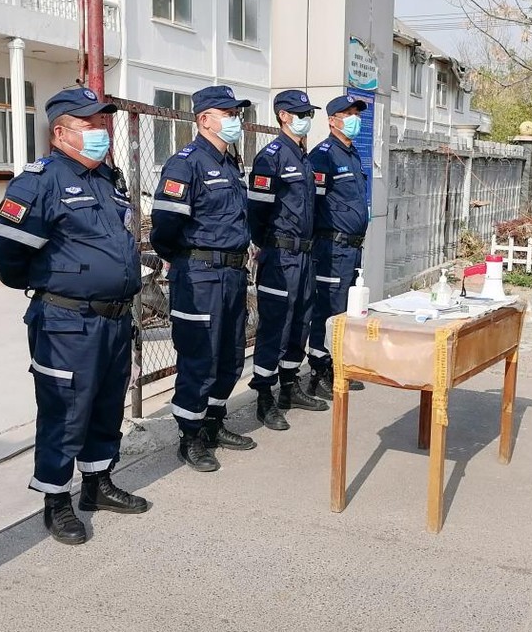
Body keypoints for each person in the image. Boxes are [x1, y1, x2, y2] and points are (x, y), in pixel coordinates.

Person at [0, 87, 150, 545]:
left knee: (104, 404)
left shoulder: (105, 179)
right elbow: (4, 250)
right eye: (90, 124)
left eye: (103, 123)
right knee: (64, 412)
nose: (101, 132)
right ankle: (56, 501)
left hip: (113, 319)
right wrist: (53, 285)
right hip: (65, 323)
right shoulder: (38, 182)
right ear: (61, 133)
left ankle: (97, 485)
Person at [150, 85, 257, 471]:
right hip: (199, 275)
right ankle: (190, 437)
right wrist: (184, 259)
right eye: (227, 114)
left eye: (236, 113)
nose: (235, 120)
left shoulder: (231, 163)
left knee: (229, 353)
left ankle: (214, 423)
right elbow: (164, 226)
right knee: (201, 356)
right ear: (204, 119)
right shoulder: (186, 163)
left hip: (231, 273)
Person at [246, 90, 330, 429]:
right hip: (280, 255)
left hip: (306, 255)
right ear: (282, 115)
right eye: (299, 113)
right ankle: (264, 396)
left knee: (302, 321)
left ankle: (289, 386)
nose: (305, 118)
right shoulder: (272, 157)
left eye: (308, 112)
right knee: (275, 326)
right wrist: (265, 244)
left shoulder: (302, 156)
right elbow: (257, 210)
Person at [306, 94, 369, 398]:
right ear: (332, 120)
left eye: (356, 113)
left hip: (352, 248)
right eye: (348, 114)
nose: (355, 118)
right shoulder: (324, 155)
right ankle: (319, 370)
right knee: (327, 310)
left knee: (345, 310)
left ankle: (338, 365)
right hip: (331, 247)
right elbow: (314, 203)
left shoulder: (352, 154)